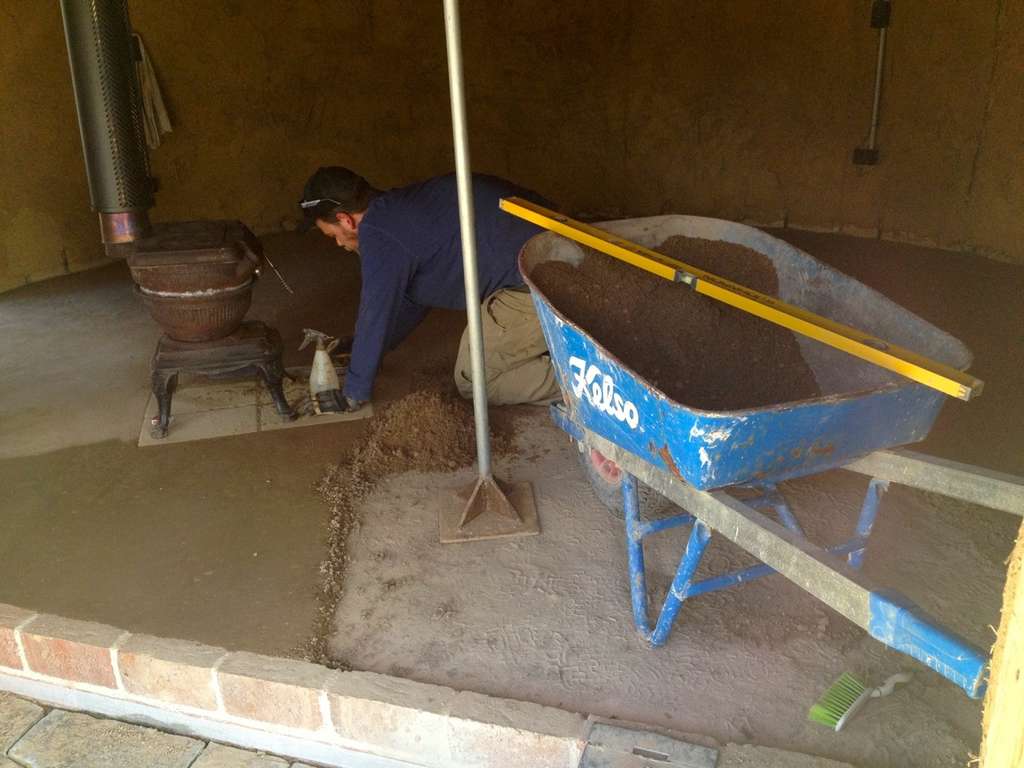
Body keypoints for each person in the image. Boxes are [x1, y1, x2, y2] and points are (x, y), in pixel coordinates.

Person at [299, 167, 561, 410]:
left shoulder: (378, 233)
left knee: (477, 381)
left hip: (544, 280)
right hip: (561, 248)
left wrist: (353, 390)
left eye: (331, 235)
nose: (338, 244)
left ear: (346, 220)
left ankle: (593, 383)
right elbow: (412, 298)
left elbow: (375, 310)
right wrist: (361, 348)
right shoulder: (400, 212)